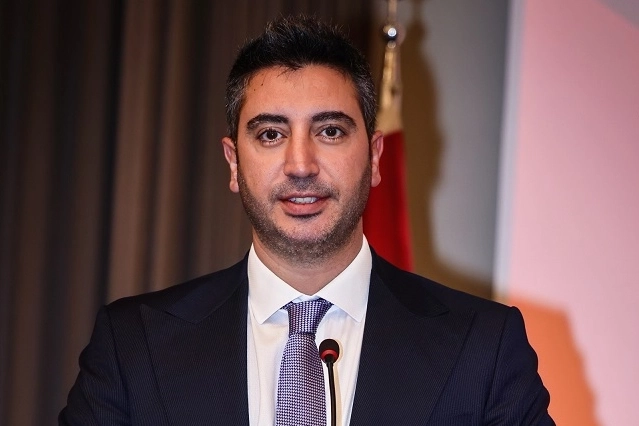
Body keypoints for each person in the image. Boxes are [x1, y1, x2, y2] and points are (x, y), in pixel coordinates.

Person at [60, 15, 554, 425]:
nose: (301, 165)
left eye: (331, 131)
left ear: (374, 157)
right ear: (233, 162)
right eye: (271, 135)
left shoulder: (483, 348)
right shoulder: (133, 347)